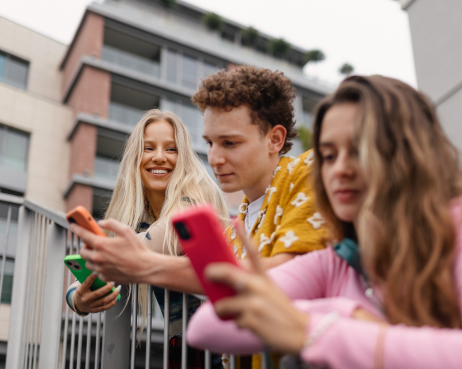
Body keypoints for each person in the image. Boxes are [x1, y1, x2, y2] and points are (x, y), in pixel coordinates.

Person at [186, 75, 462, 368]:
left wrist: (311, 330)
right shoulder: (336, 260)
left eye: (359, 150)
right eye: (329, 155)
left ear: (408, 152)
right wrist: (346, 314)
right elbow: (208, 325)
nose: (339, 170)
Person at [74, 67, 329, 367]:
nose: (215, 159)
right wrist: (77, 297)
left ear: (275, 139)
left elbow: (286, 277)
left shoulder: (308, 173)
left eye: (230, 143)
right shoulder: (238, 225)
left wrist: (145, 265)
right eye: (209, 143)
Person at [67, 109, 228, 369]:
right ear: (135, 156)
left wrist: (104, 258)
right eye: (148, 148)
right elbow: (86, 278)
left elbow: (161, 239)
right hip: (189, 346)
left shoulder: (197, 194)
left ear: (184, 156)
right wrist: (78, 299)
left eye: (171, 149)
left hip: (229, 340)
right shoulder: (136, 216)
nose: (160, 157)